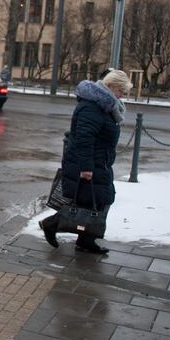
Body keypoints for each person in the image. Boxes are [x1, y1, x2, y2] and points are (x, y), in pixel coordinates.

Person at [39, 69, 133, 253]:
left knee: (96, 200)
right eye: (121, 91)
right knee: (95, 200)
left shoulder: (104, 105)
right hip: (89, 162)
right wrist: (86, 167)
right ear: (112, 86)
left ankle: (85, 240)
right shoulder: (92, 106)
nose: (122, 96)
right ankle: (52, 225)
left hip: (100, 161)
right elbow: (84, 138)